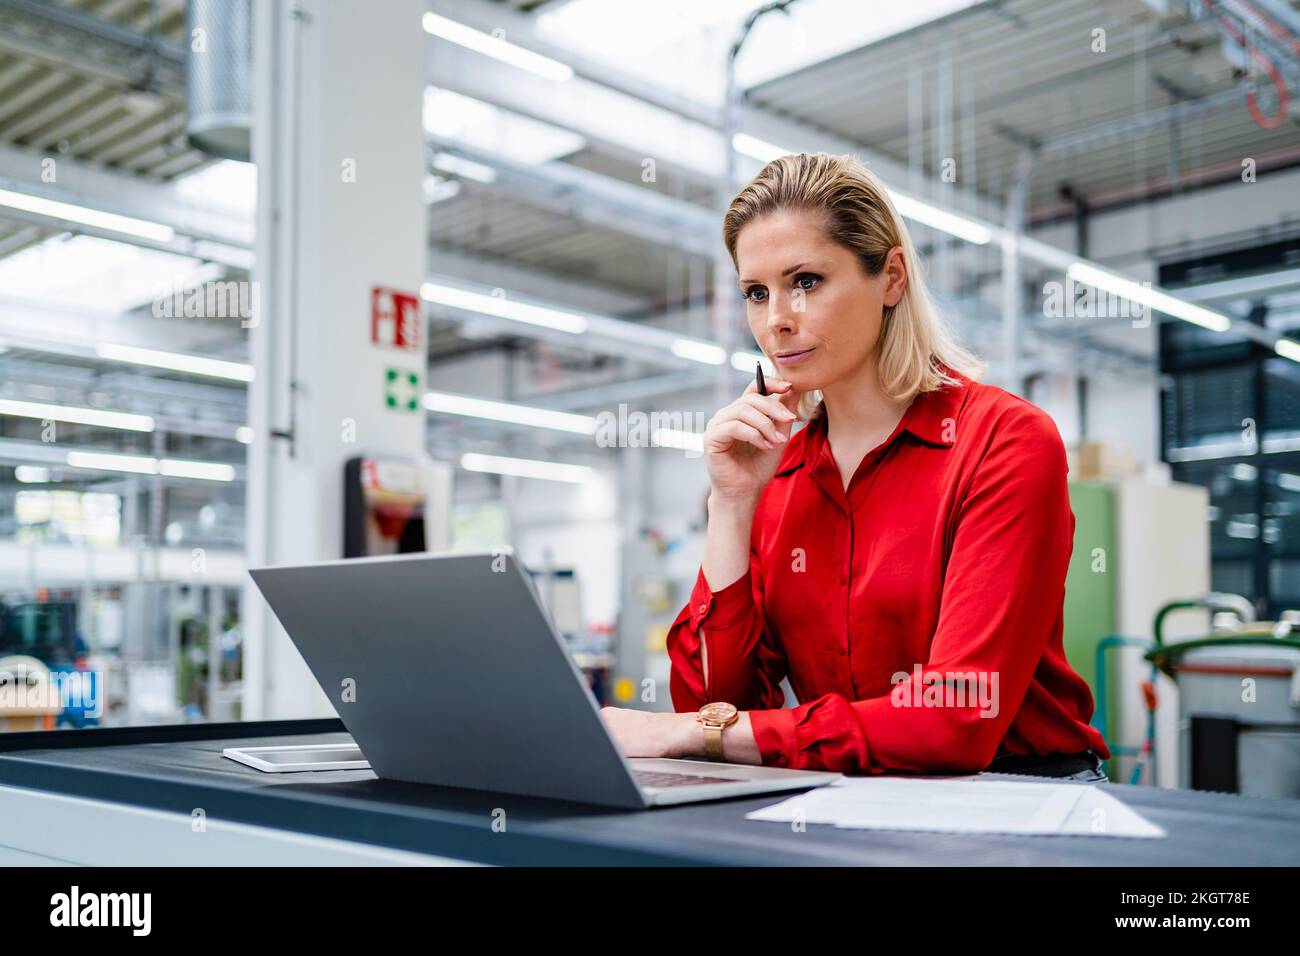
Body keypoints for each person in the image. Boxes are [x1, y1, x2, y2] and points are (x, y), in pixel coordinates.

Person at [600, 152, 1109, 781]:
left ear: (891, 277)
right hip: (852, 792)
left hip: (1019, 791)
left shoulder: (1003, 442)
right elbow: (716, 711)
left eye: (806, 281)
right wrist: (730, 506)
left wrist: (690, 732)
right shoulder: (777, 473)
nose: (777, 318)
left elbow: (953, 719)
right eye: (756, 293)